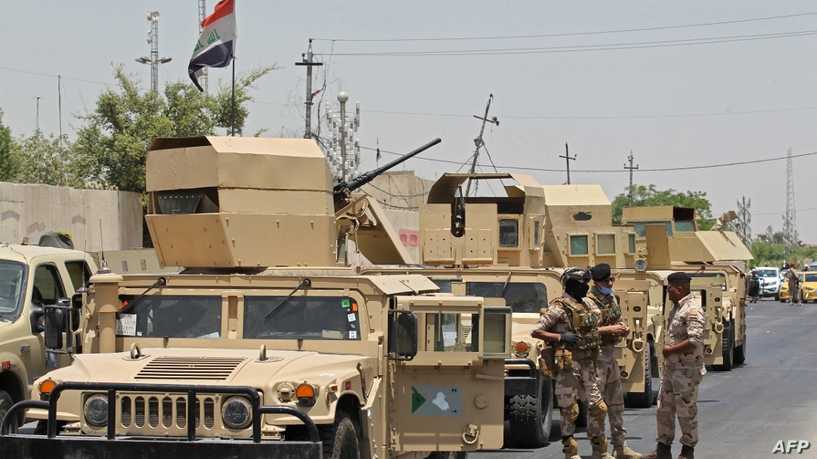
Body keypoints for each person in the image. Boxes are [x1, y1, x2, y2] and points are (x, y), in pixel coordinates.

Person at [532, 267, 610, 459]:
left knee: (598, 407)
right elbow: (537, 331)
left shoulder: (588, 305)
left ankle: (599, 450)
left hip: (588, 363)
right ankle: (570, 451)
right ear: (573, 284)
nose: (586, 287)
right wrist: (560, 336)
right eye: (583, 283)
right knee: (570, 409)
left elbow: (595, 325)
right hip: (568, 364)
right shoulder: (558, 307)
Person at [645, 272, 705, 459]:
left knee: (686, 411)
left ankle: (687, 450)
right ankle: (663, 448)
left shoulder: (692, 309)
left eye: (669, 288)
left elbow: (694, 339)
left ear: (679, 288)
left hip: (686, 370)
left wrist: (670, 350)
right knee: (664, 409)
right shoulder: (677, 307)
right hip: (672, 369)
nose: (668, 291)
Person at [588, 263, 642, 459]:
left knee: (617, 403)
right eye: (606, 280)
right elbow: (582, 331)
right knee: (598, 405)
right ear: (597, 282)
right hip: (596, 357)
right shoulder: (588, 302)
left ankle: (620, 447)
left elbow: (616, 319)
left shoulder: (611, 298)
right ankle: (599, 450)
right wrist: (609, 330)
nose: (610, 283)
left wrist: (622, 328)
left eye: (612, 279)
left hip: (611, 355)